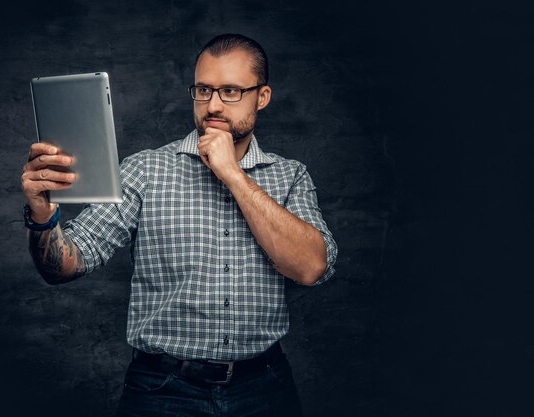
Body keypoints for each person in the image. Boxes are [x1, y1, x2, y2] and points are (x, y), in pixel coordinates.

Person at [21, 33, 337, 417]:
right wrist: (42, 215)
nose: (214, 105)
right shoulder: (145, 171)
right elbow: (68, 263)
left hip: (265, 389)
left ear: (262, 97)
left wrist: (233, 175)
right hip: (162, 392)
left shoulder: (290, 176)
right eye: (204, 90)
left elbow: (310, 267)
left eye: (231, 91)